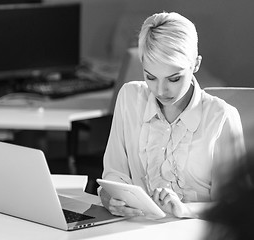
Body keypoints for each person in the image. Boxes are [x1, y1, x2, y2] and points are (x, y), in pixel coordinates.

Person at [99, 12, 246, 219]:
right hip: (136, 230)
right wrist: (109, 199)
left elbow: (235, 207)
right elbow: (114, 175)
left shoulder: (221, 117)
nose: (160, 90)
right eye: (150, 77)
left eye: (174, 79)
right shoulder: (129, 98)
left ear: (195, 64)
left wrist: (184, 210)